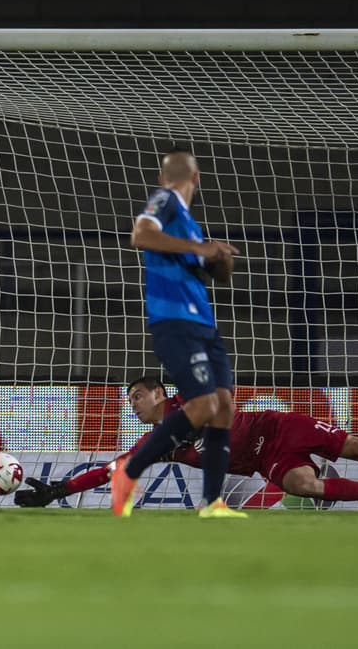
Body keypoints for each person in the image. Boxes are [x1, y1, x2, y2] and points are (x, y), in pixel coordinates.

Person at [17, 377, 358, 510]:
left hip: (276, 427)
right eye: (128, 400)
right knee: (303, 486)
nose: (132, 405)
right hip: (265, 460)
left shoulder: (187, 401)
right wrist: (60, 490)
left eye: (136, 396)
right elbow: (115, 470)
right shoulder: (159, 442)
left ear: (158, 394)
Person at [111, 147, 244, 519]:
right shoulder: (165, 199)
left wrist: (219, 256)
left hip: (205, 326)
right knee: (202, 406)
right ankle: (129, 472)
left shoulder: (188, 224)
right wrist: (199, 247)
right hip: (175, 322)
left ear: (161, 174)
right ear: (196, 178)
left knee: (224, 409)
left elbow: (220, 275)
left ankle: (212, 503)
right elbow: (140, 234)